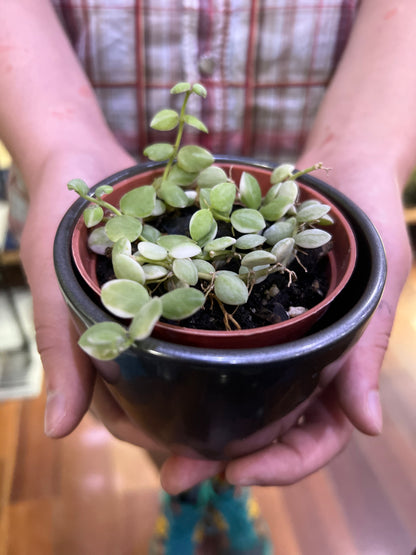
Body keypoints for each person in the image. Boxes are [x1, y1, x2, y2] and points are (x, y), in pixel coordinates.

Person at [0, 0, 414, 552]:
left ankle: (220, 491)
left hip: (308, 131)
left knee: (228, 421)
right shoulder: (152, 217)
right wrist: (56, 149)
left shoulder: (259, 227)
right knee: (156, 414)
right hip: (78, 112)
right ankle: (190, 494)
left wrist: (369, 148)